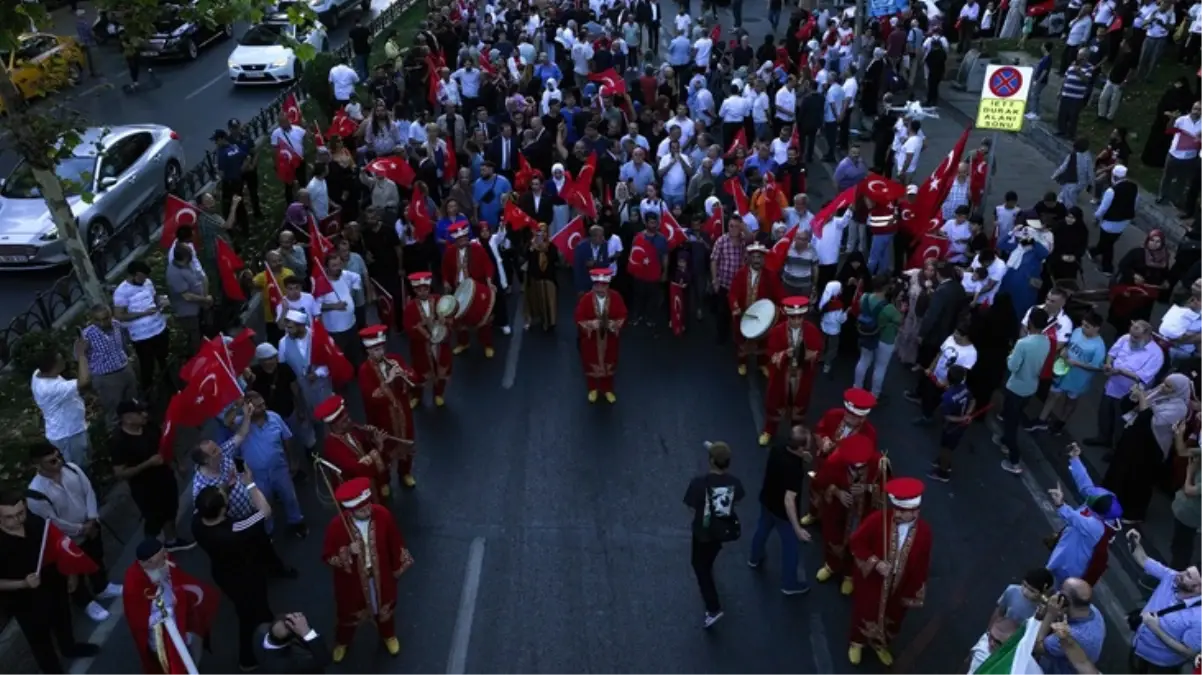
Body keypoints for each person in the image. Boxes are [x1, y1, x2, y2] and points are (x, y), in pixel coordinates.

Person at [0, 490, 101, 675]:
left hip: (53, 582)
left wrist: (71, 573)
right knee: (39, 638)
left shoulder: (35, 522)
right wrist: (22, 583)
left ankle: (69, 648)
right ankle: (52, 670)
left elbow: (57, 546)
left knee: (62, 617)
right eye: (9, 517)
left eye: (20, 513)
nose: (17, 520)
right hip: (23, 599)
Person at [26, 443, 121, 622]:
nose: (58, 462)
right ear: (37, 464)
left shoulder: (73, 469)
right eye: (52, 461)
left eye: (58, 456)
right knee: (74, 569)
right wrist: (80, 529)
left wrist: (92, 519)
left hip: (90, 526)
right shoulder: (35, 494)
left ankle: (102, 586)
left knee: (96, 557)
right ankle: (85, 602)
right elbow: (52, 522)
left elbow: (88, 492)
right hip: (68, 538)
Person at [322, 477, 413, 663]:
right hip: (352, 582)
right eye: (362, 509)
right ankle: (343, 641)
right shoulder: (337, 526)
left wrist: (397, 567)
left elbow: (395, 541)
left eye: (368, 505)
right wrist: (347, 552)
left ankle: (388, 635)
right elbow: (327, 557)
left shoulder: (383, 515)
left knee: (384, 608)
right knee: (348, 612)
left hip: (380, 576)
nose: (368, 510)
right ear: (351, 510)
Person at [847, 477, 933, 666]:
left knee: (892, 617)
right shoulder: (878, 520)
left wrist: (914, 589)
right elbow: (857, 542)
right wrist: (875, 562)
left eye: (907, 511)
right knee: (866, 611)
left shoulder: (925, 532)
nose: (901, 514)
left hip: (900, 585)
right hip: (873, 581)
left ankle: (880, 644)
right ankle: (857, 642)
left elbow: (922, 563)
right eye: (901, 510)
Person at [193, 478, 275, 672]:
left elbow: (214, 502)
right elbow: (265, 511)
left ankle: (265, 628)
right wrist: (250, 483)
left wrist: (226, 489)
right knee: (250, 615)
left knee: (246, 609)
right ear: (222, 510)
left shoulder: (197, 523)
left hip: (223, 573)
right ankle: (249, 657)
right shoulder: (234, 530)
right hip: (246, 576)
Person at [1103, 373, 1193, 523]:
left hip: (1151, 446)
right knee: (1120, 470)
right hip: (1134, 437)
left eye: (1169, 386)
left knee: (1138, 479)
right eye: (1165, 383)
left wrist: (1143, 398)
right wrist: (1134, 397)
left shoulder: (1179, 407)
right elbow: (1131, 407)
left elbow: (1151, 420)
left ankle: (1133, 513)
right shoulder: (1158, 392)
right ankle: (1109, 501)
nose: (1164, 387)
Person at [122, 538, 219, 675]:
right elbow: (139, 620)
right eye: (161, 557)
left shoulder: (163, 562)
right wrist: (165, 612)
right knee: (172, 664)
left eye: (165, 554)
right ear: (148, 562)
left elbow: (178, 579)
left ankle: (193, 667)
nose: (166, 559)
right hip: (161, 634)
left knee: (196, 638)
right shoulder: (133, 584)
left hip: (181, 619)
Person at [109, 399, 190, 549]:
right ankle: (151, 552)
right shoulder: (119, 442)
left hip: (165, 476)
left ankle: (172, 540)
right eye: (139, 413)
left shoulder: (149, 426)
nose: (144, 415)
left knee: (171, 509)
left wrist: (178, 463)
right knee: (154, 519)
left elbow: (166, 442)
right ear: (127, 418)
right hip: (145, 487)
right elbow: (120, 473)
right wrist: (147, 464)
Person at [682, 441, 745, 629]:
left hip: (703, 532)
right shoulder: (735, 483)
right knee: (710, 555)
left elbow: (690, 506)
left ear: (711, 461)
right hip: (722, 530)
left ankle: (713, 608)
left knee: (699, 567)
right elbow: (738, 500)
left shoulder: (699, 484)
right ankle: (709, 565)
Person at [813, 435, 884, 595]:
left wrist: (867, 488)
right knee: (833, 539)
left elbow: (886, 488)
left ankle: (849, 575)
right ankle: (831, 565)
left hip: (862, 514)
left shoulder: (879, 463)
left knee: (857, 544)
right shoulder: (835, 461)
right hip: (837, 513)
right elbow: (820, 482)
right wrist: (836, 492)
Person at [747, 425, 814, 595]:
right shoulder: (795, 470)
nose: (809, 448)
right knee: (791, 545)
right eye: (806, 446)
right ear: (799, 448)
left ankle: (755, 558)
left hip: (767, 499)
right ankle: (789, 584)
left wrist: (802, 456)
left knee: (762, 529)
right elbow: (789, 500)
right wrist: (797, 529)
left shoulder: (779, 447)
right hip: (782, 513)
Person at [1045, 443, 1123, 588]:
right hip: (1068, 551)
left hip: (1070, 565)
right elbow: (1086, 485)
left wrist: (1061, 504)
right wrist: (1075, 459)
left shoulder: (1096, 527)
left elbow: (1073, 517)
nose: (1089, 496)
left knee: (1057, 590)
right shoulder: (1103, 510)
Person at [1126, 529, 1202, 672]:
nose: (1180, 574)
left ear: (1199, 589)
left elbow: (1189, 652)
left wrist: (1155, 628)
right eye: (1186, 570)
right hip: (1139, 645)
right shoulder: (1172, 577)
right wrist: (1134, 541)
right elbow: (1143, 559)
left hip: (1160, 664)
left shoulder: (1199, 618)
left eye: (1188, 576)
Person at [802, 388, 880, 525]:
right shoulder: (833, 415)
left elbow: (866, 458)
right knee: (816, 489)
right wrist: (824, 440)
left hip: (844, 473)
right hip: (823, 465)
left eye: (854, 416)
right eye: (848, 413)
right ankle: (813, 513)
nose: (848, 417)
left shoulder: (869, 434)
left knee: (837, 504)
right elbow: (820, 429)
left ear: (863, 418)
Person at [357, 325, 419, 489]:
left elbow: (413, 375)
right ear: (368, 351)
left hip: (403, 413)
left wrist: (405, 375)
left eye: (382, 347)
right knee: (384, 450)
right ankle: (384, 481)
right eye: (376, 349)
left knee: (406, 443)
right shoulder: (364, 370)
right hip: (382, 417)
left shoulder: (395, 359)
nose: (381, 352)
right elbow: (372, 397)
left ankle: (405, 473)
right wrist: (389, 380)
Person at [760, 297, 824, 446]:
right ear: (787, 316)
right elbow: (771, 353)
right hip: (782, 375)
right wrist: (783, 354)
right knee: (775, 403)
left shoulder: (812, 331)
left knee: (800, 403)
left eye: (799, 317)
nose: (796, 320)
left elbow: (819, 351)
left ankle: (796, 434)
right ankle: (769, 430)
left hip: (802, 376)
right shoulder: (777, 331)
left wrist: (811, 355)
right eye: (792, 317)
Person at [998, 308, 1052, 474]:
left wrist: (1010, 356)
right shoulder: (1047, 341)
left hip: (1016, 387)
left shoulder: (1023, 344)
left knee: (1011, 424)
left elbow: (1012, 366)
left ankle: (1014, 459)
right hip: (1030, 387)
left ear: (1030, 323)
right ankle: (1005, 441)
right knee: (1013, 415)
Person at [315, 394, 393, 498]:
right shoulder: (332, 446)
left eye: (348, 418)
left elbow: (364, 446)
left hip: (368, 480)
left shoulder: (349, 429)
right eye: (344, 421)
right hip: (355, 489)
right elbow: (357, 469)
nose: (350, 421)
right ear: (334, 426)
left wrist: (371, 437)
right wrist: (379, 448)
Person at [31, 337, 92, 467]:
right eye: (60, 360)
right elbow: (84, 381)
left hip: (71, 428)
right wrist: (81, 355)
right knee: (79, 467)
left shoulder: (38, 374)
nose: (64, 361)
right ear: (54, 367)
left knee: (85, 459)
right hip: (68, 434)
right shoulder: (50, 388)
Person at [441, 221, 497, 357]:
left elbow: (488, 265)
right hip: (459, 290)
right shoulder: (450, 252)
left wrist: (489, 281)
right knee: (459, 320)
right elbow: (445, 269)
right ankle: (463, 343)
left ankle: (487, 344)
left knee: (482, 317)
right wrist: (445, 282)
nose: (463, 241)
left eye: (465, 238)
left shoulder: (477, 248)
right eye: (460, 239)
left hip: (476, 287)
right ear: (455, 240)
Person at [729, 243, 783, 376]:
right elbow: (732, 293)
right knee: (742, 341)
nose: (757, 260)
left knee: (763, 342)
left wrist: (782, 308)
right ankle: (742, 363)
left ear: (763, 259)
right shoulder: (740, 274)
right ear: (749, 258)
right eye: (754, 257)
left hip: (762, 318)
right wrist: (735, 306)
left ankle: (762, 364)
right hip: (744, 315)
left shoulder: (771, 276)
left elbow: (780, 294)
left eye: (759, 257)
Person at [575, 268, 628, 404]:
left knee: (609, 362)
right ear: (594, 285)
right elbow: (579, 317)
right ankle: (592, 388)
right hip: (591, 339)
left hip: (610, 339)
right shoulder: (586, 299)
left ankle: (607, 389)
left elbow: (623, 314)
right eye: (598, 285)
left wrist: (614, 324)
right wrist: (590, 324)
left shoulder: (616, 297)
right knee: (591, 362)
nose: (600, 288)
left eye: (603, 285)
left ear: (608, 285)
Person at [402, 272, 454, 407]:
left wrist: (445, 322)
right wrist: (425, 334)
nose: (423, 292)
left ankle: (438, 394)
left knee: (441, 370)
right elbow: (409, 327)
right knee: (419, 374)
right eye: (419, 290)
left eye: (425, 289)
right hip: (421, 348)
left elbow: (450, 315)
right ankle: (417, 396)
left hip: (440, 346)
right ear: (414, 290)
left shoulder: (438, 300)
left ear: (429, 288)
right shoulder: (410, 308)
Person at [1033, 578, 1107, 674]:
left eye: (1061, 592)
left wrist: (1050, 615)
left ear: (1065, 600)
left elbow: (1037, 647)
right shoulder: (1094, 612)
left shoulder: (1070, 635)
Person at [254, 612, 333, 674]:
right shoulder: (294, 663)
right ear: (291, 640)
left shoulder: (261, 630)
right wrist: (306, 632)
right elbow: (324, 659)